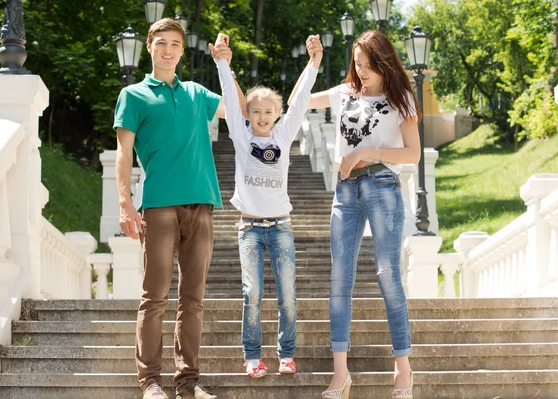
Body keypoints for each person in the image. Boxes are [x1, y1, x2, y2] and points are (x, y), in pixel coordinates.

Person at [113, 18, 242, 399]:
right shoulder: (133, 95)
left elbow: (241, 111)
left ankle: (187, 382)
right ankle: (150, 381)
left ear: (182, 51)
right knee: (155, 296)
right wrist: (124, 203)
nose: (168, 50)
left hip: (201, 203)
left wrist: (224, 64)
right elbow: (123, 153)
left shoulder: (196, 92)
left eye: (175, 44)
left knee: (194, 299)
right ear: (150, 47)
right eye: (161, 43)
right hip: (158, 206)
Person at [308, 30, 421, 399]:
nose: (363, 70)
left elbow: (412, 154)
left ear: (384, 63)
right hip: (345, 191)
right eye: (357, 63)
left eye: (369, 65)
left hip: (383, 187)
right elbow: (296, 104)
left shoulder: (400, 98)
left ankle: (402, 368)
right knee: (340, 280)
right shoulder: (343, 94)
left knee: (388, 274)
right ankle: (340, 375)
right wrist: (313, 63)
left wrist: (368, 151)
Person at [210, 33, 322, 378]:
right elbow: (230, 94)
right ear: (247, 114)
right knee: (252, 293)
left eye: (268, 111)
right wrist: (222, 62)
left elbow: (301, 99)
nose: (261, 116)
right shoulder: (241, 137)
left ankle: (286, 354)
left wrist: (314, 62)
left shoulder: (283, 136)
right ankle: (253, 357)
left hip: (281, 226)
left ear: (276, 114)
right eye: (255, 111)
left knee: (288, 293)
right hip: (248, 228)